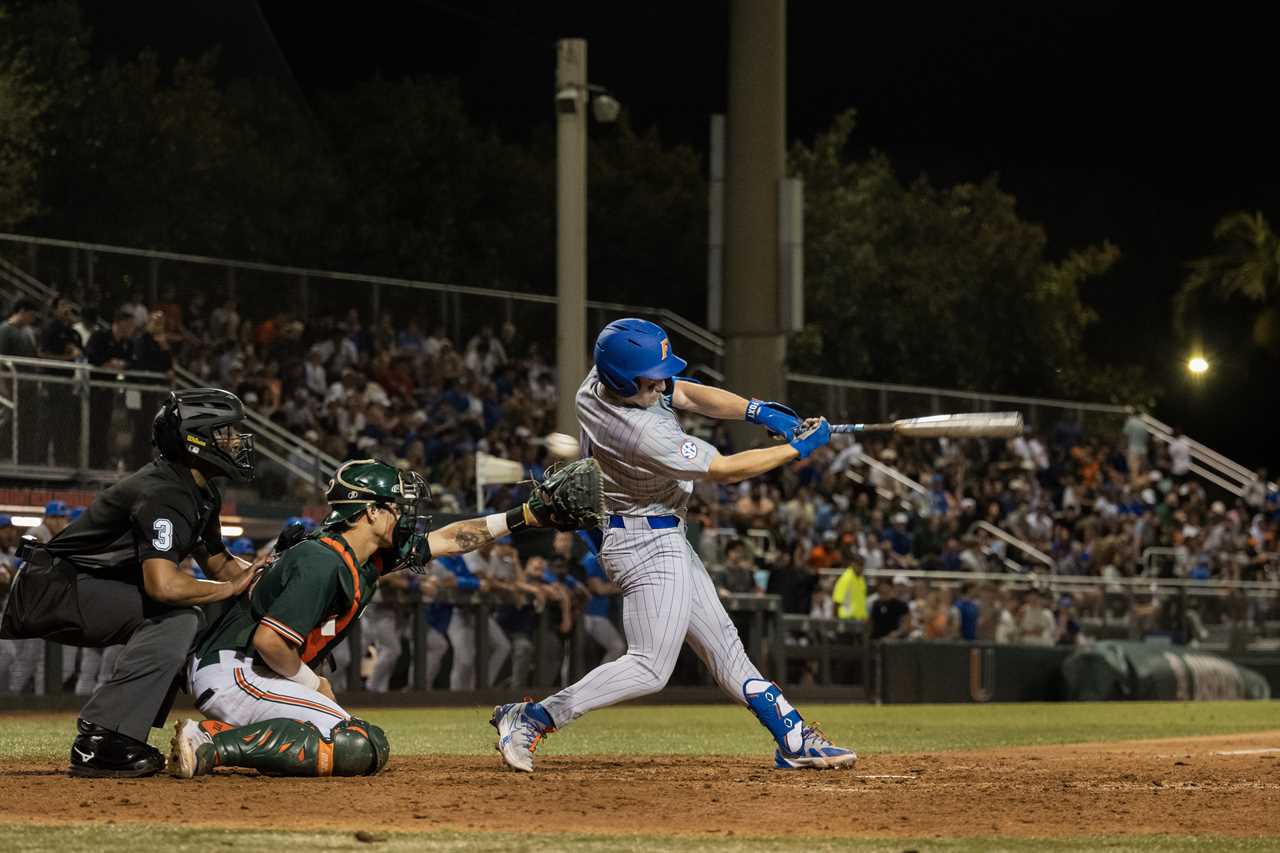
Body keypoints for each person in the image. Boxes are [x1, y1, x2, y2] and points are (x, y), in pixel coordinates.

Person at [491, 318, 854, 772]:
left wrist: (757, 411)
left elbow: (685, 392)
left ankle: (793, 739)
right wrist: (797, 449)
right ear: (624, 379)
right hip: (643, 542)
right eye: (651, 376)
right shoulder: (642, 433)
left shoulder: (600, 381)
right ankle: (533, 716)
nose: (661, 382)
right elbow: (723, 470)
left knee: (727, 650)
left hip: (659, 534)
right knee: (649, 666)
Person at [167, 457, 595, 778]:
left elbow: (449, 539)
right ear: (369, 511)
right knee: (355, 743)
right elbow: (269, 642)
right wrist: (314, 683)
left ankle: (212, 734)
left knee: (353, 741)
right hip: (237, 669)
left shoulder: (360, 555)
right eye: (395, 506)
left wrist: (523, 517)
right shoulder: (321, 560)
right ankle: (211, 747)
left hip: (251, 670)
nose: (404, 515)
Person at [0, 388, 260, 776]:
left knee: (194, 613)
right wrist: (228, 589)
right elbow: (163, 586)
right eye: (224, 432)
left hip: (81, 585)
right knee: (180, 616)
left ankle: (119, 734)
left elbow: (220, 563)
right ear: (196, 440)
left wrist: (266, 573)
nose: (235, 441)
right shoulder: (165, 492)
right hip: (55, 588)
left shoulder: (197, 489)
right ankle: (101, 738)